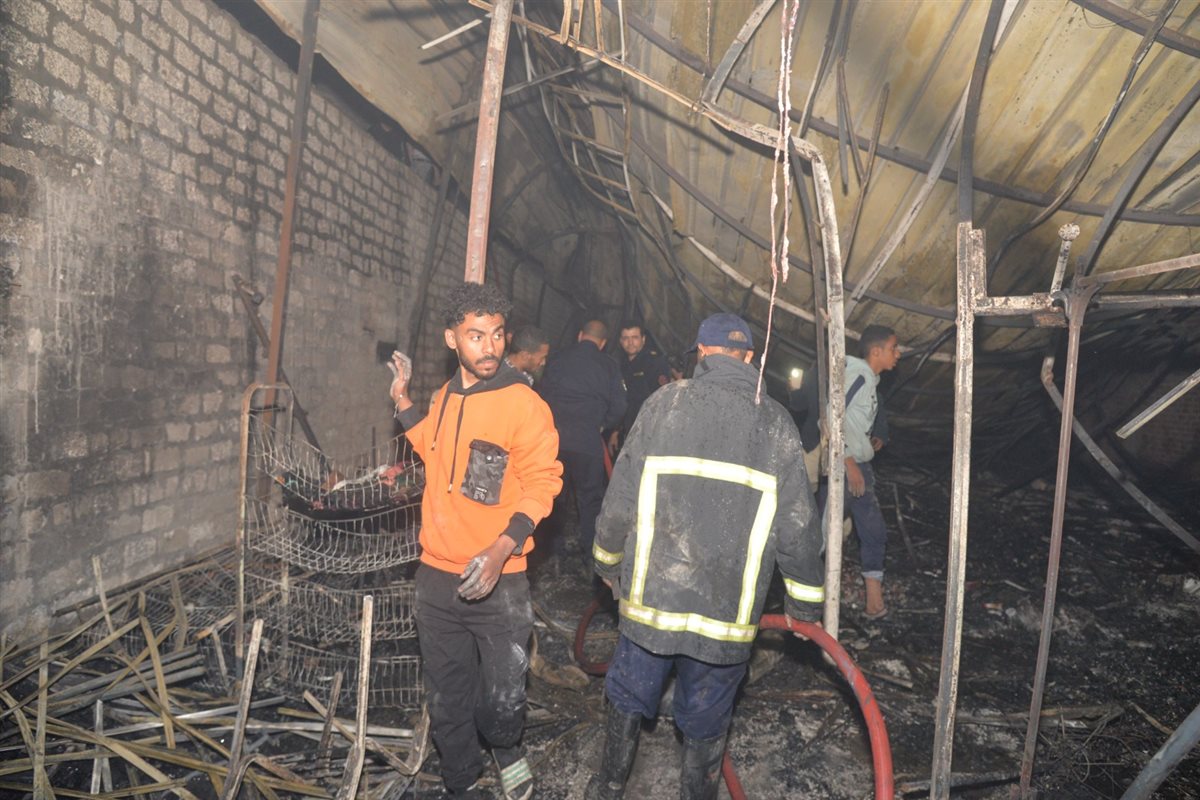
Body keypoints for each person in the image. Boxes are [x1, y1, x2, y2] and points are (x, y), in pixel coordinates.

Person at [586, 313, 825, 800]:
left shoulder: (663, 404)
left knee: (628, 697)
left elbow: (620, 500)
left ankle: (606, 787)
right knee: (707, 719)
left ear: (700, 353)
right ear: (751, 358)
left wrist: (606, 562)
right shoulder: (776, 423)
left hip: (651, 606)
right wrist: (804, 606)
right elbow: (799, 528)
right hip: (726, 618)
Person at [389, 281, 563, 800]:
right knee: (447, 692)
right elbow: (434, 448)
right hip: (435, 576)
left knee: (504, 695)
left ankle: (506, 747)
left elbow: (543, 481)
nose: (489, 348)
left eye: (498, 334)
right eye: (476, 336)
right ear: (452, 339)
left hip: (499, 579)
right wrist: (401, 400)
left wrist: (502, 547)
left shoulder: (523, 403)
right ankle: (460, 776)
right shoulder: (445, 396)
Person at [538, 319, 626, 570]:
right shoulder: (608, 365)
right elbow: (620, 406)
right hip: (588, 443)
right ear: (603, 343)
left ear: (579, 335)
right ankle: (589, 555)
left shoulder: (557, 359)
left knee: (555, 498)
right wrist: (603, 425)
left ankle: (553, 553)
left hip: (556, 442)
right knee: (590, 501)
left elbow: (542, 396)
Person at [827, 324, 901, 619]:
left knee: (873, 532)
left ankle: (874, 603)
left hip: (861, 466)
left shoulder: (869, 381)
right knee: (823, 534)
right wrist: (848, 462)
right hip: (844, 467)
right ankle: (804, 606)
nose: (898, 354)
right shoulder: (856, 375)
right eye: (893, 348)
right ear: (876, 351)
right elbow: (830, 416)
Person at [611, 322, 671, 452]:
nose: (630, 342)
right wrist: (616, 430)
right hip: (628, 429)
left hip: (648, 430)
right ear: (620, 341)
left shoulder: (654, 362)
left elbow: (662, 398)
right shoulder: (620, 365)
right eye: (626, 338)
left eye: (635, 337)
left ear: (643, 339)